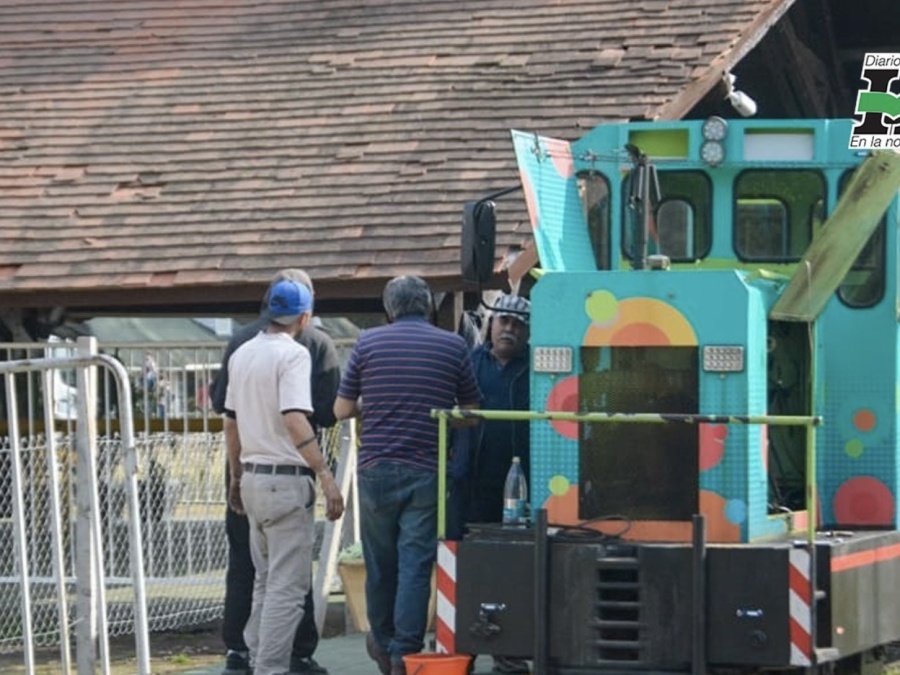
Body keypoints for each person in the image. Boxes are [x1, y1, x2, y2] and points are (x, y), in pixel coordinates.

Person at [333, 276, 480, 675]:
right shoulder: (453, 346)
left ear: (389, 309)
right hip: (427, 471)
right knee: (416, 564)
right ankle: (405, 654)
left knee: (381, 563)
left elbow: (341, 410)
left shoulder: (367, 343)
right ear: (429, 306)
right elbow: (471, 411)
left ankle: (381, 643)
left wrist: (374, 401)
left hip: (376, 469)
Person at [212, 269, 341, 675]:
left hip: (250, 475)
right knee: (289, 587)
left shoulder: (242, 351)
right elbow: (296, 419)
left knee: (265, 581)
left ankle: (251, 656)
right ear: (305, 317)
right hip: (286, 479)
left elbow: (230, 422)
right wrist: (324, 472)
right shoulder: (296, 353)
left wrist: (235, 477)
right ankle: (271, 668)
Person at [449, 293, 531, 675]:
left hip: (519, 491)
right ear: (490, 325)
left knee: (513, 572)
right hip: (470, 486)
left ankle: (510, 654)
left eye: (518, 325)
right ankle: (461, 653)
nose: (510, 330)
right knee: (466, 571)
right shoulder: (469, 363)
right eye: (504, 322)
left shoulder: (534, 369)